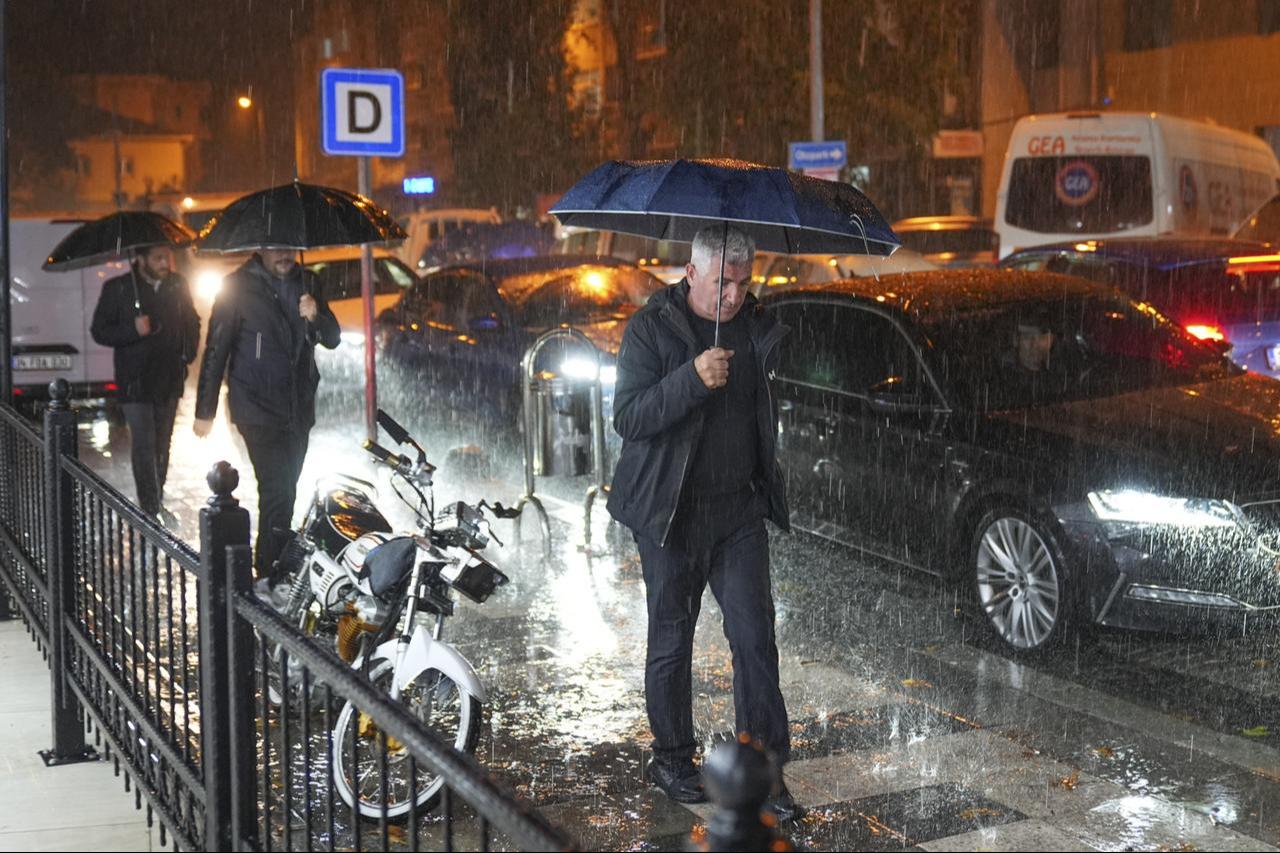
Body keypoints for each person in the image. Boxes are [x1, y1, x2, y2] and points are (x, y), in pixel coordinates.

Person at [606, 224, 801, 821]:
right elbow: (630, 417)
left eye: (743, 283)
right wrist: (691, 379)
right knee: (672, 638)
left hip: (738, 511)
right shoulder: (650, 328)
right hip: (671, 514)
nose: (733, 297)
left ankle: (763, 770)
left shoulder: (758, 326)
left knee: (754, 638)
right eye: (722, 283)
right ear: (691, 273)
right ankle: (670, 756)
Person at [192, 248, 339, 582]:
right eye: (277, 249)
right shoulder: (237, 286)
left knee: (287, 488)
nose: (285, 255)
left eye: (290, 248)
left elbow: (333, 338)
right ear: (262, 250)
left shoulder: (309, 281)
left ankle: (273, 564)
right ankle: (270, 571)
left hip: (298, 407)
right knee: (276, 488)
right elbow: (217, 348)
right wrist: (206, 409)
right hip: (255, 406)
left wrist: (317, 315)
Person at [90, 246, 199, 519]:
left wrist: (187, 353)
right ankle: (149, 507)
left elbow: (192, 321)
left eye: (167, 257)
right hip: (135, 381)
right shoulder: (119, 288)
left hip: (168, 377)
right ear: (141, 260)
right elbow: (99, 331)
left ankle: (157, 496)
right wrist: (132, 330)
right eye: (158, 258)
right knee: (144, 442)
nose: (165, 263)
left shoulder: (177, 285)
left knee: (163, 442)